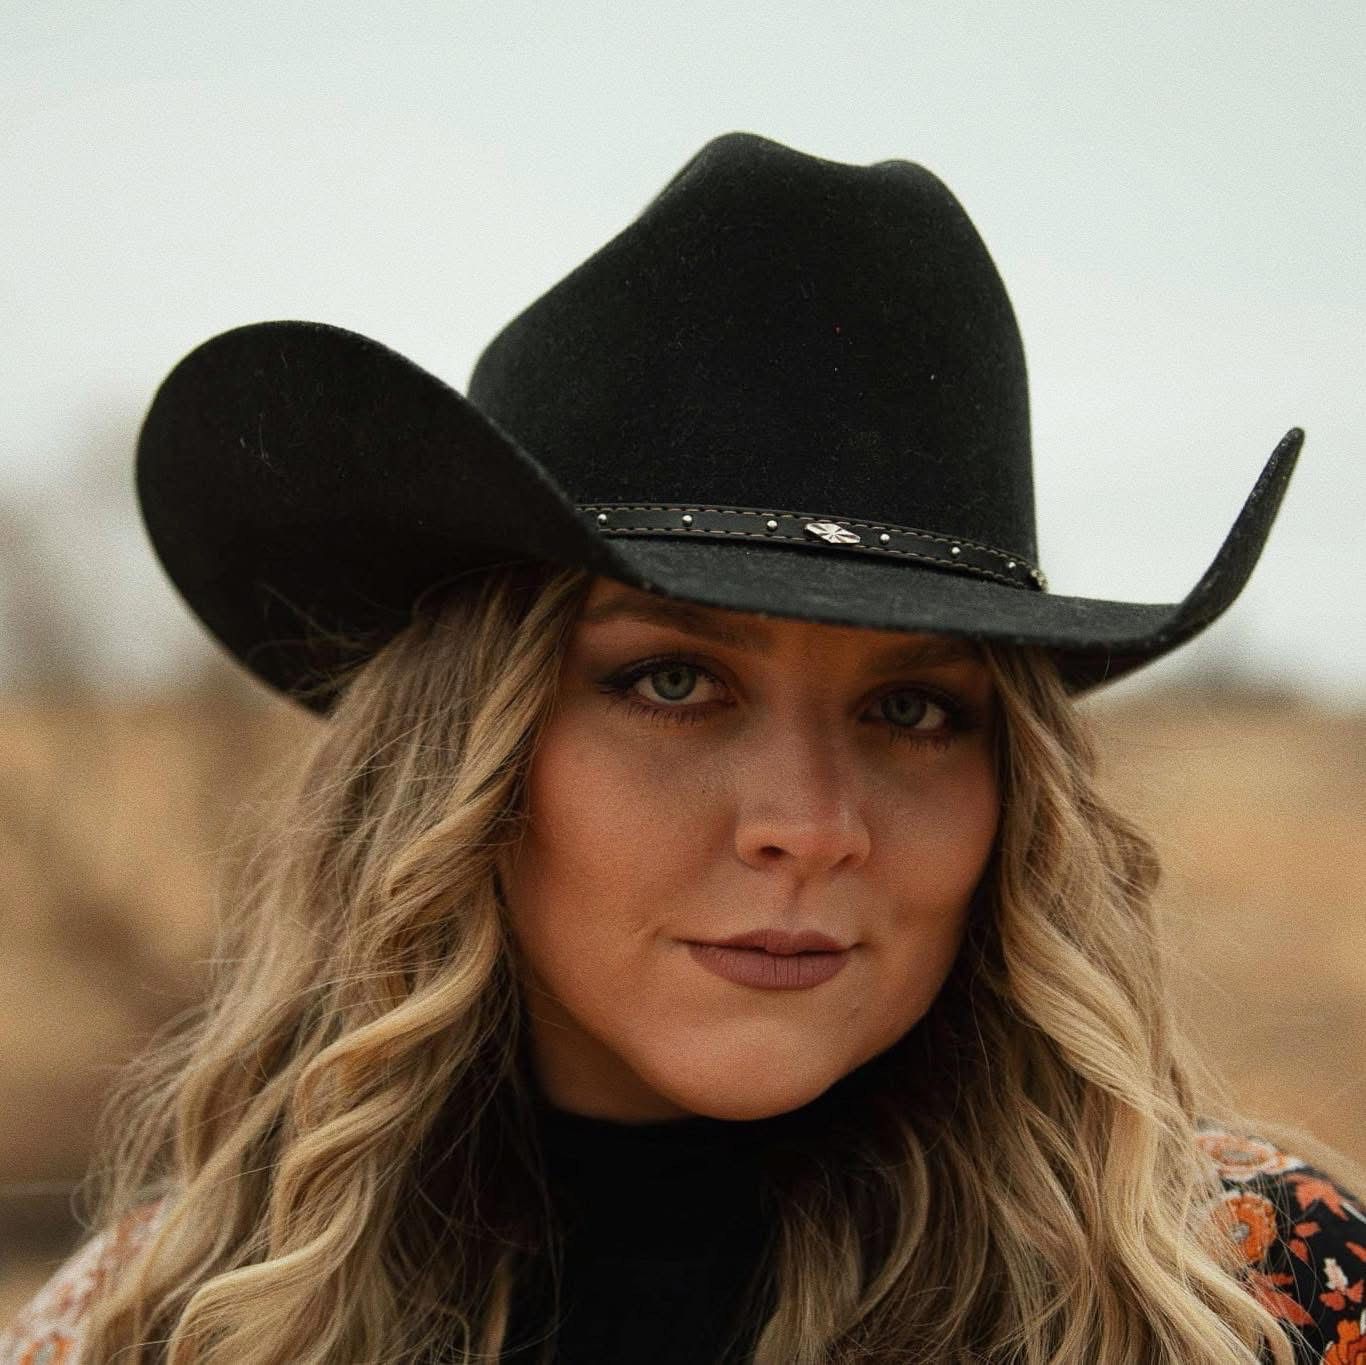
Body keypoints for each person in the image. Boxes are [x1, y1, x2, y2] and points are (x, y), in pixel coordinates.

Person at [2, 131, 1363, 1365]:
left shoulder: (1239, 1296)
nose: (811, 824)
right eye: (671, 679)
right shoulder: (149, 1328)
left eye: (913, 709)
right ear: (462, 758)